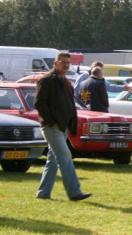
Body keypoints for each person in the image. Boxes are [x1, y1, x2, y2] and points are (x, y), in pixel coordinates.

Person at [35, 52, 91, 201]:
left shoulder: (64, 80)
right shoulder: (47, 80)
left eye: (68, 63)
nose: (66, 65)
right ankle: (74, 192)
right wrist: (52, 121)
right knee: (65, 156)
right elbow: (39, 103)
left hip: (63, 127)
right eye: (63, 62)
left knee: (53, 161)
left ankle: (43, 193)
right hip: (52, 127)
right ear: (55, 63)